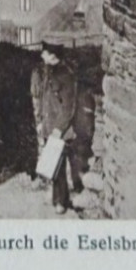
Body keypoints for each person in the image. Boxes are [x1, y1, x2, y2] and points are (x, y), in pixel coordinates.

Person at [31, 41, 78, 214]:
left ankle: (62, 201)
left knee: (59, 165)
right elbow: (44, 100)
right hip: (49, 126)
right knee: (52, 165)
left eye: (44, 53)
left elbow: (69, 107)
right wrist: (41, 123)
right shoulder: (48, 73)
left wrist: (59, 129)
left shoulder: (66, 75)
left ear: (52, 55)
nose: (42, 55)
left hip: (60, 130)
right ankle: (56, 198)